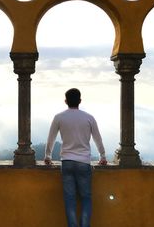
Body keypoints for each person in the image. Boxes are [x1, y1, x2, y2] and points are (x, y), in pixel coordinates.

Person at [44, 88, 107, 227]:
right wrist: (102, 156)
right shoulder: (89, 118)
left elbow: (51, 139)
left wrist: (48, 155)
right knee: (86, 198)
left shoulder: (59, 117)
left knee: (70, 199)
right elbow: (98, 139)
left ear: (66, 101)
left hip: (66, 162)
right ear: (80, 101)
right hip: (84, 162)